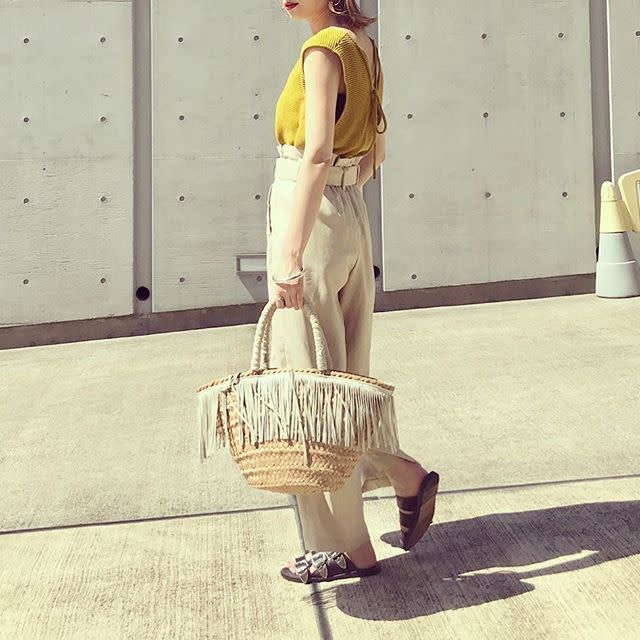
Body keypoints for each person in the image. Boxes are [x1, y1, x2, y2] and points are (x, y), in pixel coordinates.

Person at [267, 0, 440, 584]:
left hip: (308, 214)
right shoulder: (365, 48)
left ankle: (343, 547)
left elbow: (316, 152)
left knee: (311, 390)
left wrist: (290, 252)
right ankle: (400, 474)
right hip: (349, 214)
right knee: (346, 380)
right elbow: (375, 154)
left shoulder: (321, 51)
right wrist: (342, 201)